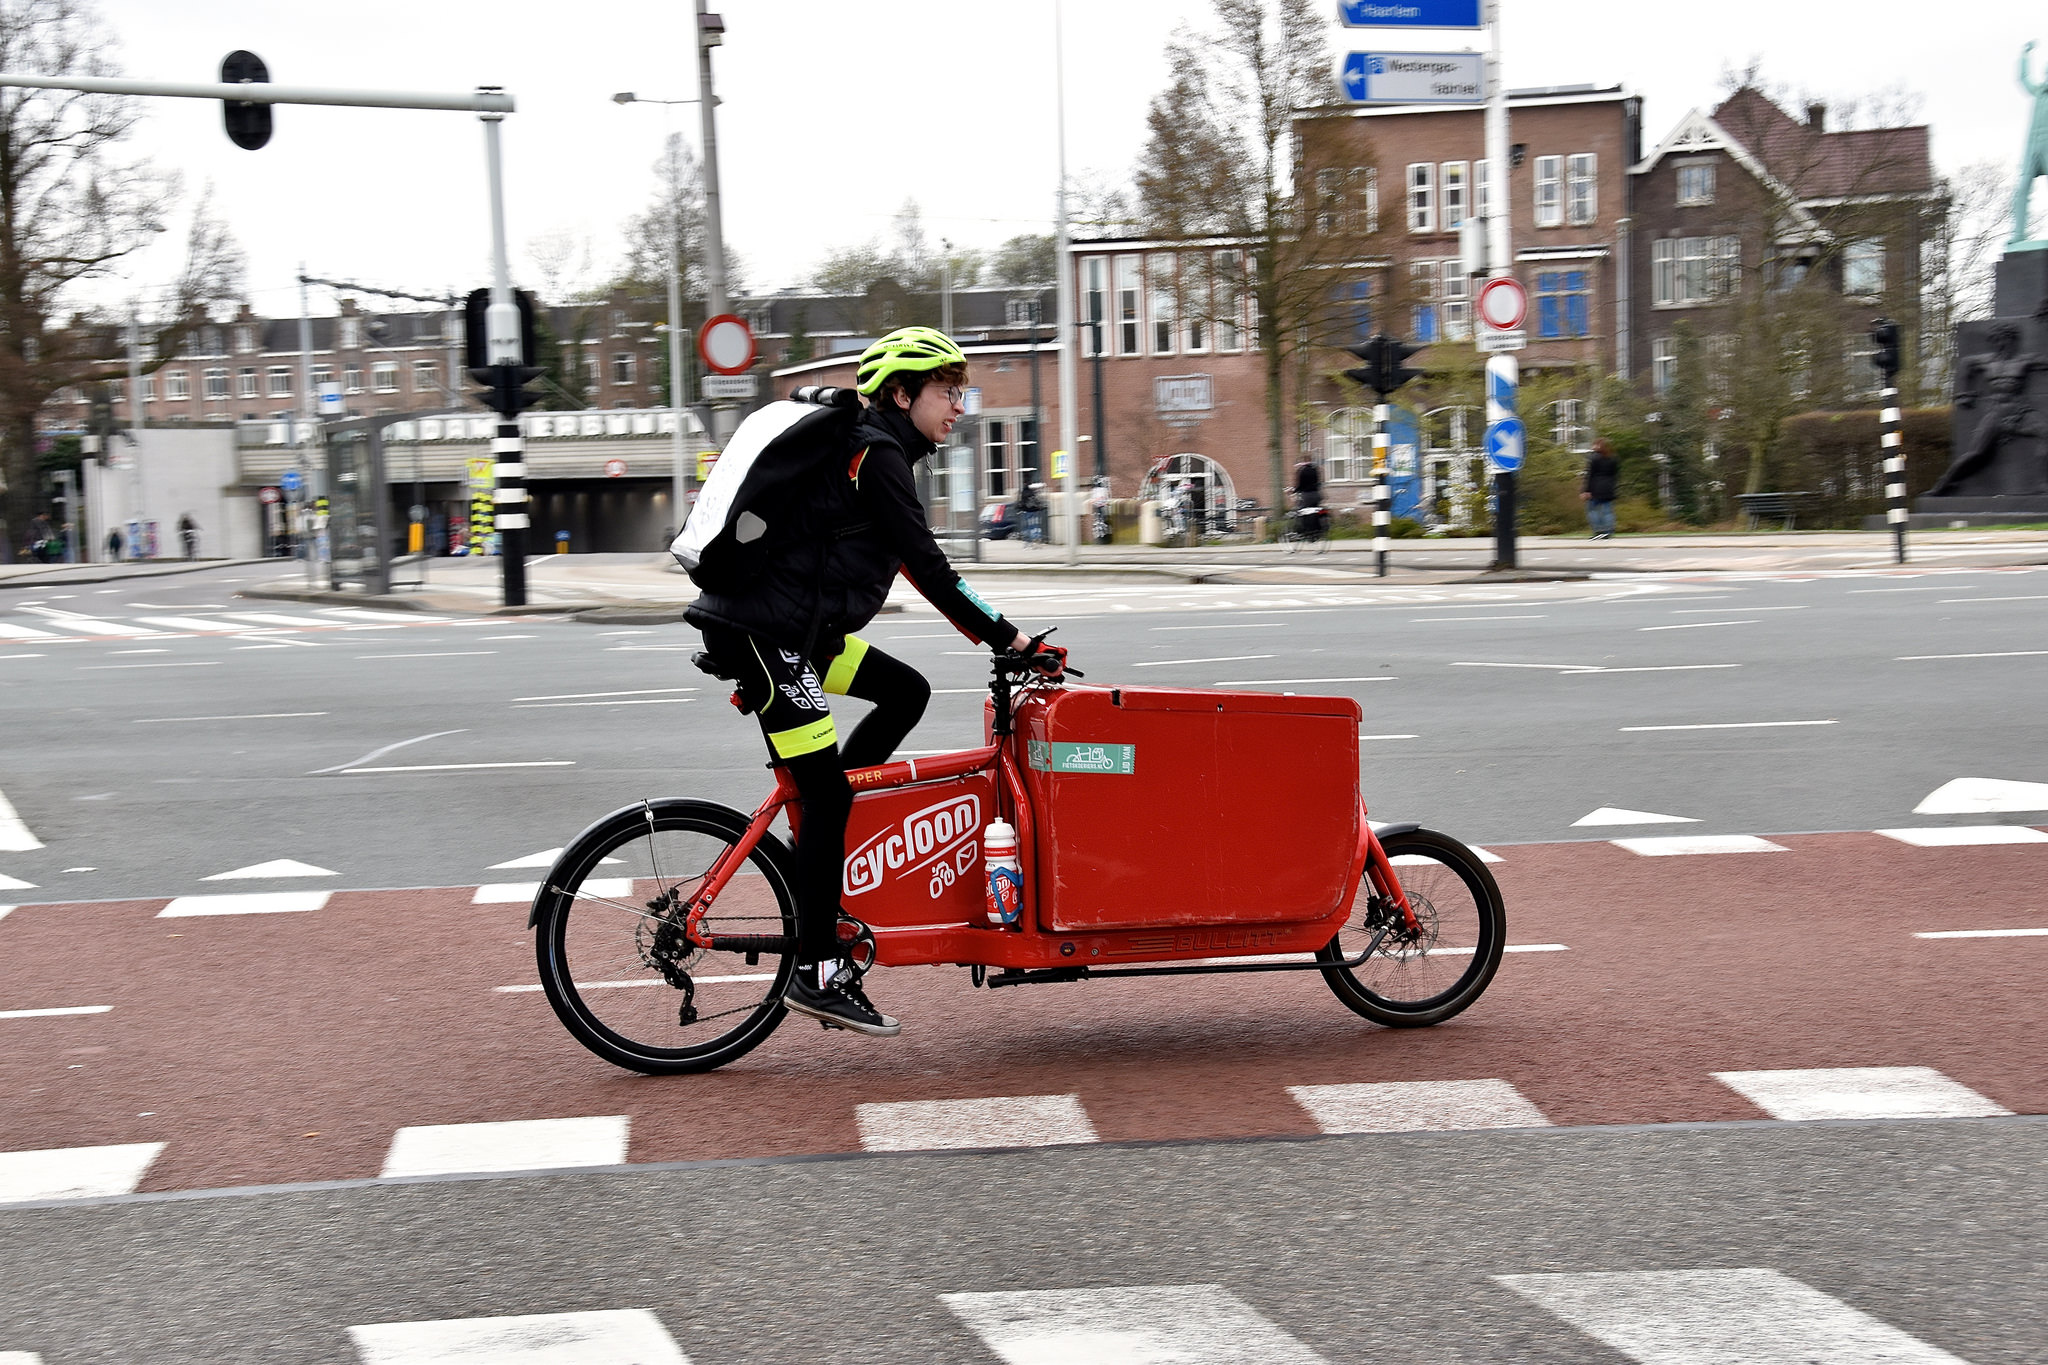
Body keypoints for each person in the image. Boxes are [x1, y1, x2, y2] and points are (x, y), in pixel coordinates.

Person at [684, 326, 1068, 1038]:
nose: (960, 404)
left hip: (795, 631)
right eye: (947, 391)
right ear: (902, 393)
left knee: (905, 692)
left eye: (962, 391)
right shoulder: (879, 454)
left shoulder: (869, 447)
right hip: (768, 637)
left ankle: (821, 841)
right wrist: (1014, 640)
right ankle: (818, 969)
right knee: (827, 793)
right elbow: (932, 570)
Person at [1582, 438, 1620, 539]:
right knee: (1607, 510)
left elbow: (1590, 475)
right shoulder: (1613, 459)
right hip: (1608, 487)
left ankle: (1598, 530)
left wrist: (1586, 490)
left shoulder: (1594, 458)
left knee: (1592, 510)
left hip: (1595, 487)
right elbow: (1615, 474)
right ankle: (1608, 531)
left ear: (1598, 446)